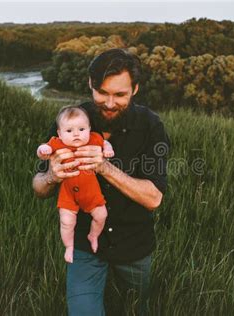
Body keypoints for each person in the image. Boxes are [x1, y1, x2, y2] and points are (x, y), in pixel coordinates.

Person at [32, 48, 170, 315]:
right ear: (90, 84)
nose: (109, 103)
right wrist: (51, 176)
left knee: (135, 309)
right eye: (102, 92)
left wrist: (104, 167)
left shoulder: (151, 127)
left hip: (134, 245)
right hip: (84, 245)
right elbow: (38, 187)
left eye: (120, 95)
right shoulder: (69, 120)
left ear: (135, 89)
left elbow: (154, 198)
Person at [36, 105, 115, 263]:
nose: (76, 134)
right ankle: (69, 247)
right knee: (66, 221)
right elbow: (44, 148)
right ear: (59, 133)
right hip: (68, 193)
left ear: (89, 128)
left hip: (91, 192)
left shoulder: (93, 139)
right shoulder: (58, 143)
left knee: (101, 215)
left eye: (81, 129)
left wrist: (108, 149)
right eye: (69, 131)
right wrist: (43, 150)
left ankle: (93, 235)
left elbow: (105, 143)